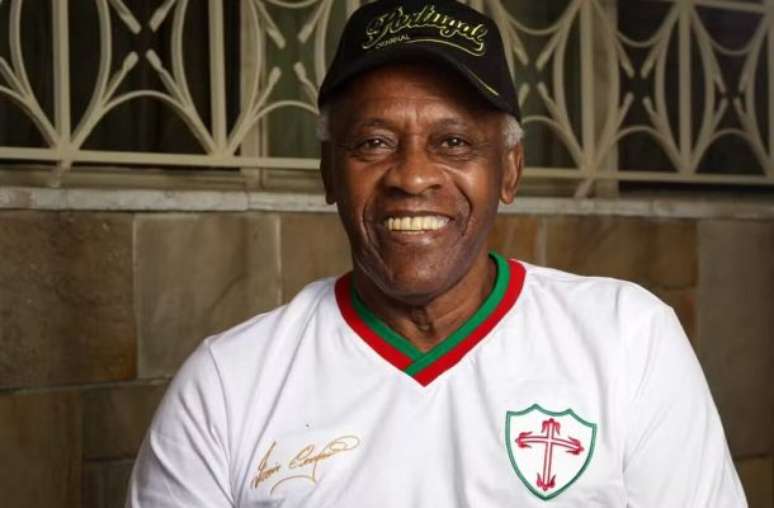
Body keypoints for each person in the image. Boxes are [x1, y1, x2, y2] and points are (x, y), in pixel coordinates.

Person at [127, 0, 746, 506]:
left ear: (509, 170)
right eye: (373, 142)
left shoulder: (626, 340)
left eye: (453, 142)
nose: (413, 175)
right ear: (328, 172)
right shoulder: (229, 383)